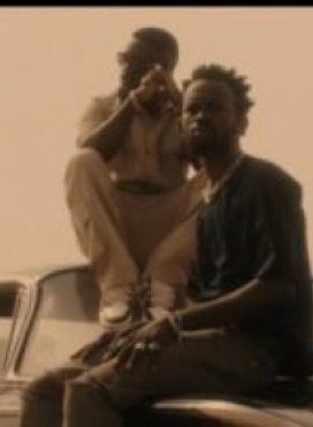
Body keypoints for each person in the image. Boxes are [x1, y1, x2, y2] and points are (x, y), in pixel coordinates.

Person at [0, 62, 313, 427]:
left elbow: (278, 286)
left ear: (241, 122)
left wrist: (173, 324)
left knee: (91, 392)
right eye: (192, 109)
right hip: (214, 341)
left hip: (258, 350)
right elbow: (205, 295)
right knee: (45, 390)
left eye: (214, 108)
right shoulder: (206, 199)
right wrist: (132, 331)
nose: (200, 117)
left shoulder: (267, 183)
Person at [67, 27, 199, 328]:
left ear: (166, 71)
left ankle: (161, 287)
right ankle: (118, 288)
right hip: (117, 223)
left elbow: (208, 160)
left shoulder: (185, 111)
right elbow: (92, 148)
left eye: (143, 64)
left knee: (218, 182)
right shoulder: (101, 106)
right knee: (81, 162)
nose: (129, 69)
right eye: (126, 59)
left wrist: (183, 106)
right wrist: (132, 104)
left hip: (169, 228)